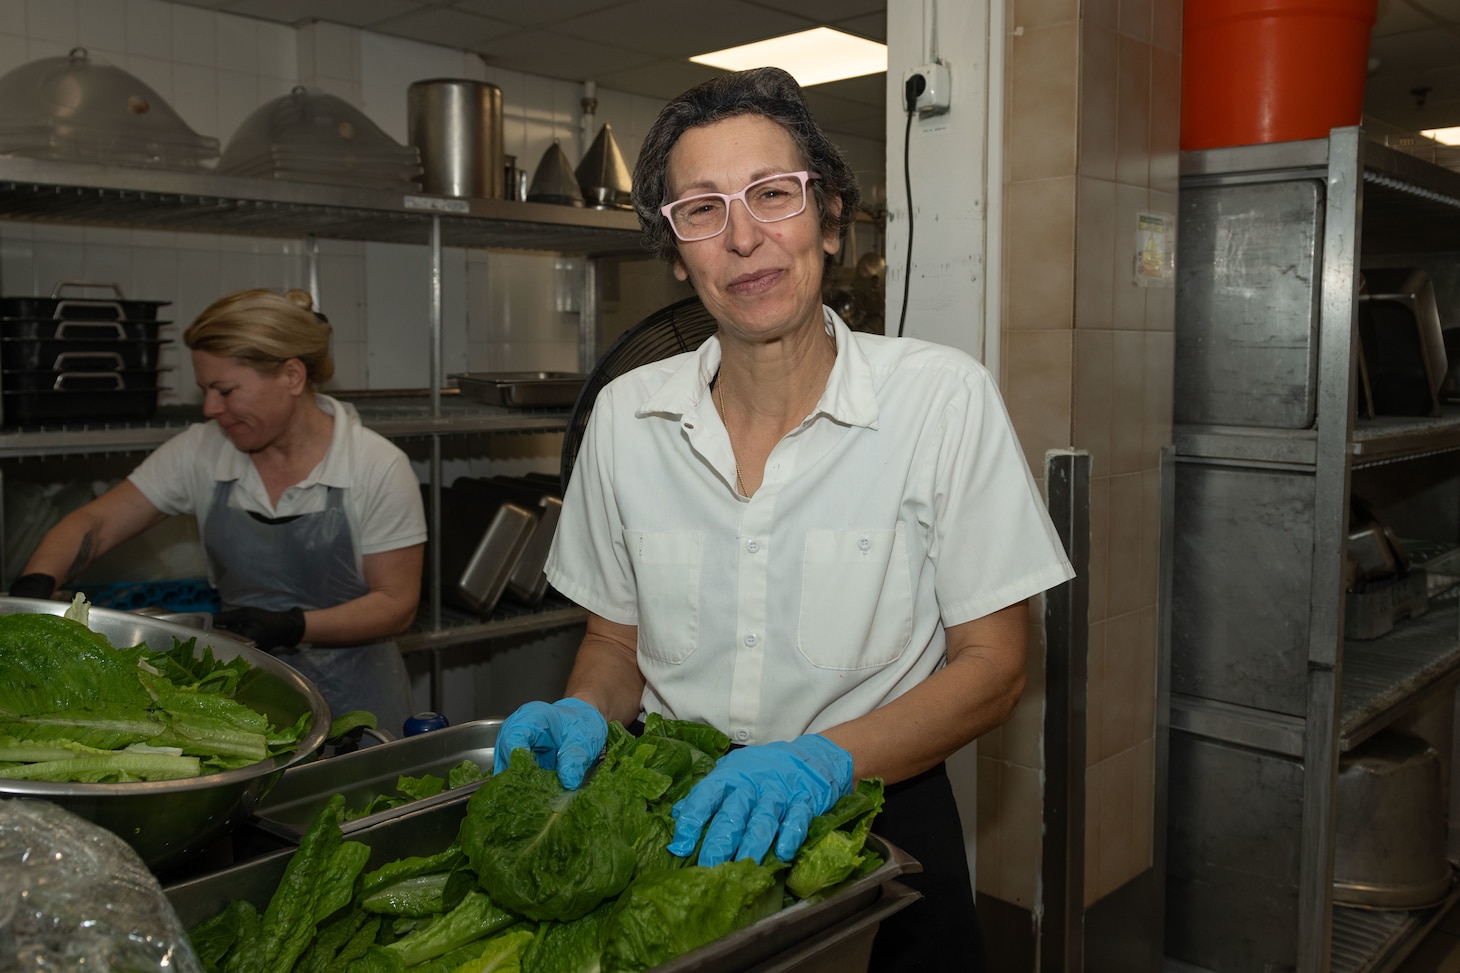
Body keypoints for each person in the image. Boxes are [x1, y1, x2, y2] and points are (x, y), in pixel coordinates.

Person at [491, 67, 1074, 970]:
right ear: (677, 253)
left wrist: (821, 763)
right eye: (702, 209)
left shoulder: (940, 400)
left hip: (879, 822)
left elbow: (994, 669)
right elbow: (614, 645)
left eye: (774, 194)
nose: (744, 238)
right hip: (677, 816)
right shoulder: (625, 418)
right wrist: (582, 710)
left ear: (829, 219)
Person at [7, 288, 427, 737]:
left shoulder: (374, 466)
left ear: (291, 376)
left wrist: (291, 625)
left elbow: (395, 605)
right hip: (243, 701)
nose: (210, 408)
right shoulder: (202, 451)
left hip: (359, 706)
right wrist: (31, 594)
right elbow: (96, 523)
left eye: (225, 390)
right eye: (206, 390)